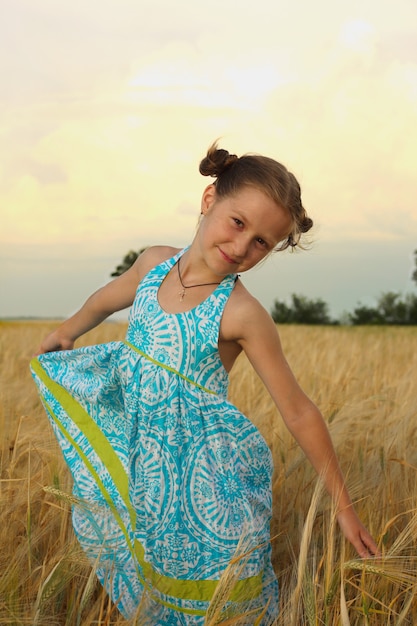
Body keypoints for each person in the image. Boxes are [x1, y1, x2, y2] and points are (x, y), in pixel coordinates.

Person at [31, 142, 378, 625]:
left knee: (209, 594)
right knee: (143, 574)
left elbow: (298, 410)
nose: (242, 247)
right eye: (238, 223)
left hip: (200, 481)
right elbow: (105, 301)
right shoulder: (153, 263)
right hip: (141, 460)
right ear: (210, 198)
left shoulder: (242, 314)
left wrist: (343, 507)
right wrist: (67, 330)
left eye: (262, 243)